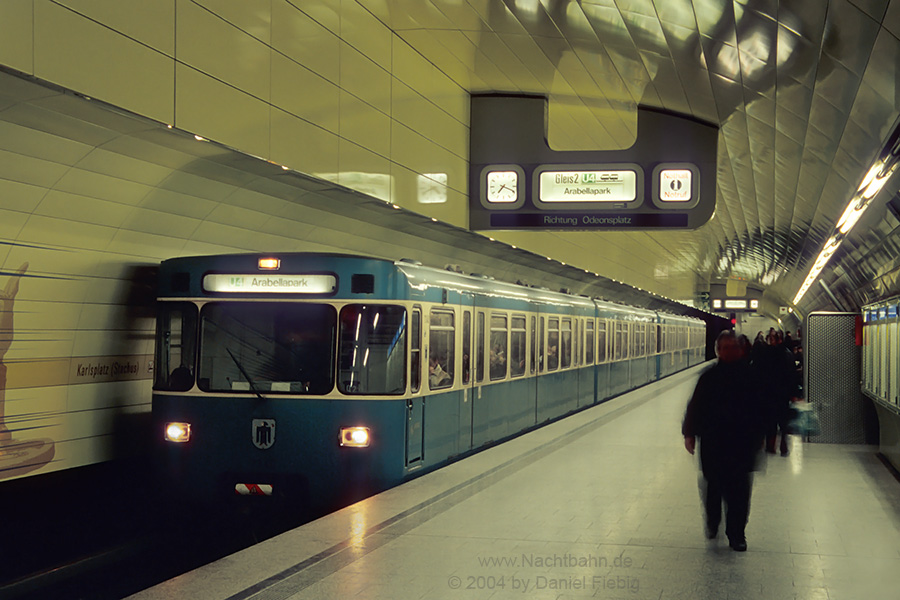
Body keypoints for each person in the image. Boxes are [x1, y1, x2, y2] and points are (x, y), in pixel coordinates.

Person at [682, 330, 765, 552]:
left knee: (739, 492)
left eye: (733, 347)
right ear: (718, 351)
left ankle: (737, 534)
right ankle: (712, 521)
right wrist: (689, 433)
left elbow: (761, 410)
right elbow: (694, 407)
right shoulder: (708, 377)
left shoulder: (751, 376)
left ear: (740, 350)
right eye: (725, 348)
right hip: (713, 443)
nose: (729, 352)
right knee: (713, 487)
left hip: (742, 443)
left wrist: (761, 437)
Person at [753, 329, 797, 456]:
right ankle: (783, 444)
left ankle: (771, 445)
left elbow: (759, 373)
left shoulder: (765, 354)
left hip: (768, 393)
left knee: (770, 420)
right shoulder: (787, 354)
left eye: (772, 338)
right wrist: (793, 393)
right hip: (782, 393)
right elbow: (792, 375)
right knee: (783, 420)